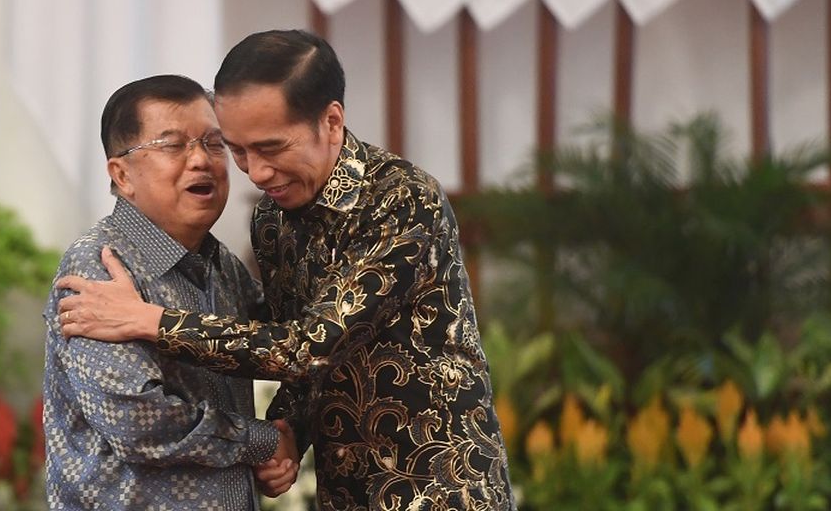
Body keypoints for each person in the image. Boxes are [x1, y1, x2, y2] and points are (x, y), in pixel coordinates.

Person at [57, 31, 514, 510]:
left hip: (442, 487)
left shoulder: (401, 200)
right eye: (236, 149)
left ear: (331, 122)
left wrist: (152, 322)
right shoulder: (270, 219)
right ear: (119, 173)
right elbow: (290, 348)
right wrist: (286, 432)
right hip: (344, 492)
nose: (255, 172)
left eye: (270, 147)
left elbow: (309, 347)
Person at [43, 74, 299, 510]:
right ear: (121, 174)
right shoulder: (99, 264)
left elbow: (288, 346)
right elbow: (138, 421)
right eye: (172, 145)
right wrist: (260, 441)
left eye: (214, 143)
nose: (201, 160)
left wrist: (289, 435)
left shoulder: (222, 264)